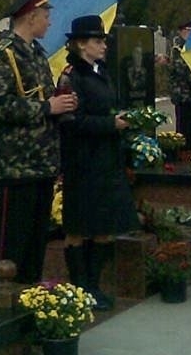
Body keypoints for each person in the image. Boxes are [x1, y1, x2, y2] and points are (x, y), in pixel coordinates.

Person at [0, 0, 78, 284]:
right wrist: (47, 107)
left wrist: (62, 102)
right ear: (30, 16)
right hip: (18, 163)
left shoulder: (35, 53)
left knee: (36, 241)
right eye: (46, 15)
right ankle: (5, 295)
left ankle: (30, 293)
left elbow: (44, 97)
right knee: (13, 241)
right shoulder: (4, 55)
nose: (49, 21)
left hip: (43, 162)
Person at [59, 15, 138, 310]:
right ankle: (80, 285)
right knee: (79, 226)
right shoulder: (71, 76)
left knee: (104, 224)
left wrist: (121, 120)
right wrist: (110, 124)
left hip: (106, 159)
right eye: (97, 41)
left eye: (104, 40)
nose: (104, 46)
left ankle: (94, 285)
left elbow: (107, 106)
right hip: (82, 161)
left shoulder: (100, 71)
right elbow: (70, 121)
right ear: (81, 44)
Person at [168, 19, 191, 156]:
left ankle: (189, 150)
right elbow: (182, 69)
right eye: (190, 31)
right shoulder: (177, 48)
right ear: (183, 31)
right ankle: (182, 153)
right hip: (183, 94)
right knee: (183, 127)